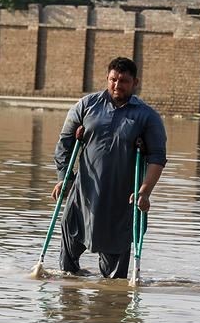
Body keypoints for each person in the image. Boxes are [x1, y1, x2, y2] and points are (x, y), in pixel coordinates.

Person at [52, 57, 167, 279]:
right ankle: (70, 309)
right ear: (107, 79)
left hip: (120, 203)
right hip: (82, 198)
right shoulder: (87, 106)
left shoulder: (147, 117)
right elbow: (65, 142)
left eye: (123, 81)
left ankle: (109, 312)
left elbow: (157, 157)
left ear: (135, 82)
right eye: (113, 79)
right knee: (66, 272)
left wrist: (144, 191)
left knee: (115, 280)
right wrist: (63, 178)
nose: (117, 85)